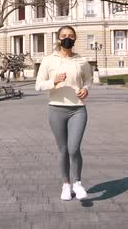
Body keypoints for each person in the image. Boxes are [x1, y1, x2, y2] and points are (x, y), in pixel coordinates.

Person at [35, 25, 93, 201]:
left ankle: (77, 183)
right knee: (63, 149)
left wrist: (86, 88)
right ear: (58, 39)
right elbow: (38, 85)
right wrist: (54, 81)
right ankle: (66, 185)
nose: (67, 38)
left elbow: (89, 79)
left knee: (74, 148)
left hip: (78, 109)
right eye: (64, 35)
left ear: (75, 39)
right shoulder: (48, 60)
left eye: (71, 35)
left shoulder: (82, 61)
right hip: (56, 109)